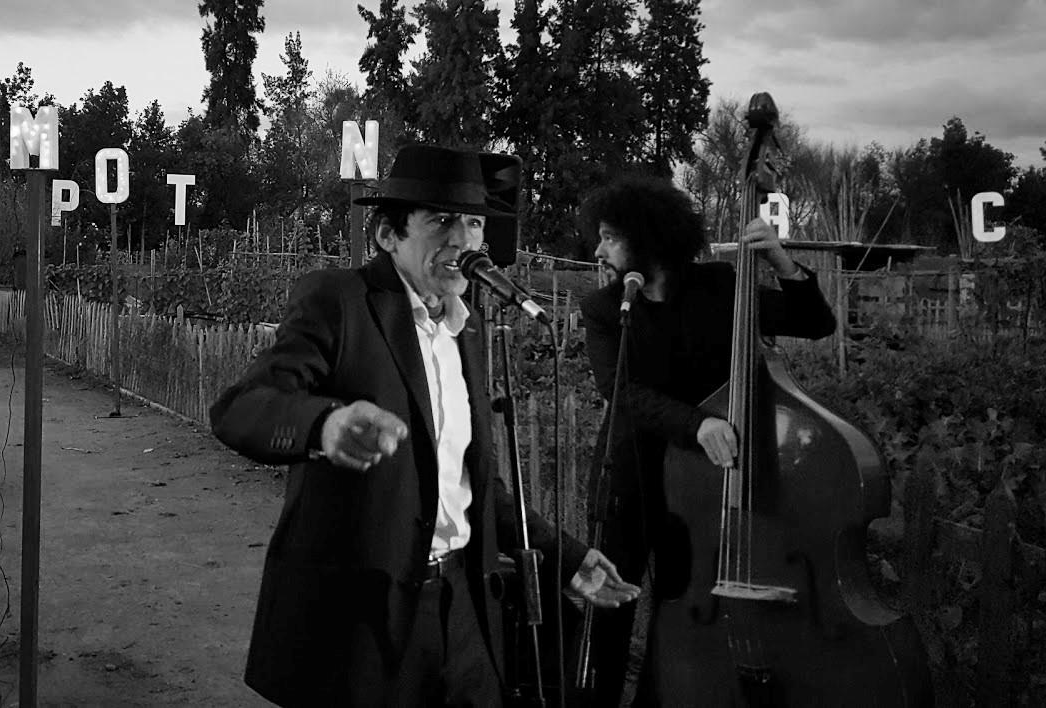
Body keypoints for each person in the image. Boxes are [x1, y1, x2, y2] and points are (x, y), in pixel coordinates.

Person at [211, 145, 639, 708]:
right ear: (389, 235)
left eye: (474, 223)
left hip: (462, 605)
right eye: (441, 221)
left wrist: (565, 556)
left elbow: (473, 482)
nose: (462, 239)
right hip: (363, 617)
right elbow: (241, 407)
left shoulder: (468, 329)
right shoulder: (340, 301)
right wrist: (324, 425)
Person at [574, 176, 837, 708]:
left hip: (701, 484)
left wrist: (782, 262)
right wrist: (696, 423)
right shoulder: (604, 307)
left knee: (680, 604)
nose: (598, 251)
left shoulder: (718, 287)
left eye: (609, 237)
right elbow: (620, 389)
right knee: (608, 609)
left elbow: (814, 323)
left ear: (648, 238)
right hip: (630, 474)